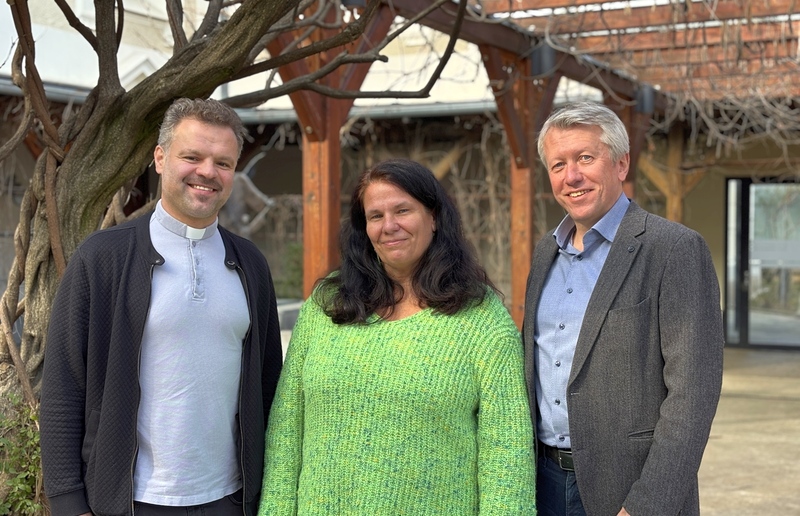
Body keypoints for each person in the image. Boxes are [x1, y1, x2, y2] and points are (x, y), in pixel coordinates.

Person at [40, 98, 284, 516]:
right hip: (130, 501)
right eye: (192, 156)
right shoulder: (103, 258)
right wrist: (69, 504)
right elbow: (64, 384)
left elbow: (267, 385)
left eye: (223, 163)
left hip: (229, 498)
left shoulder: (250, 265)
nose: (208, 172)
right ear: (160, 157)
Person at [258, 158, 536, 515]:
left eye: (403, 210)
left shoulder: (481, 318)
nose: (389, 226)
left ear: (434, 218)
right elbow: (286, 429)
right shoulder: (327, 305)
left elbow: (507, 452)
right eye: (375, 216)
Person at [524, 101, 724, 516]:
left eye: (585, 158)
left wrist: (646, 505)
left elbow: (693, 395)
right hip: (540, 482)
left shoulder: (673, 249)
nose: (572, 176)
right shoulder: (546, 251)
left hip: (626, 490)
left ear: (621, 164)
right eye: (558, 164)